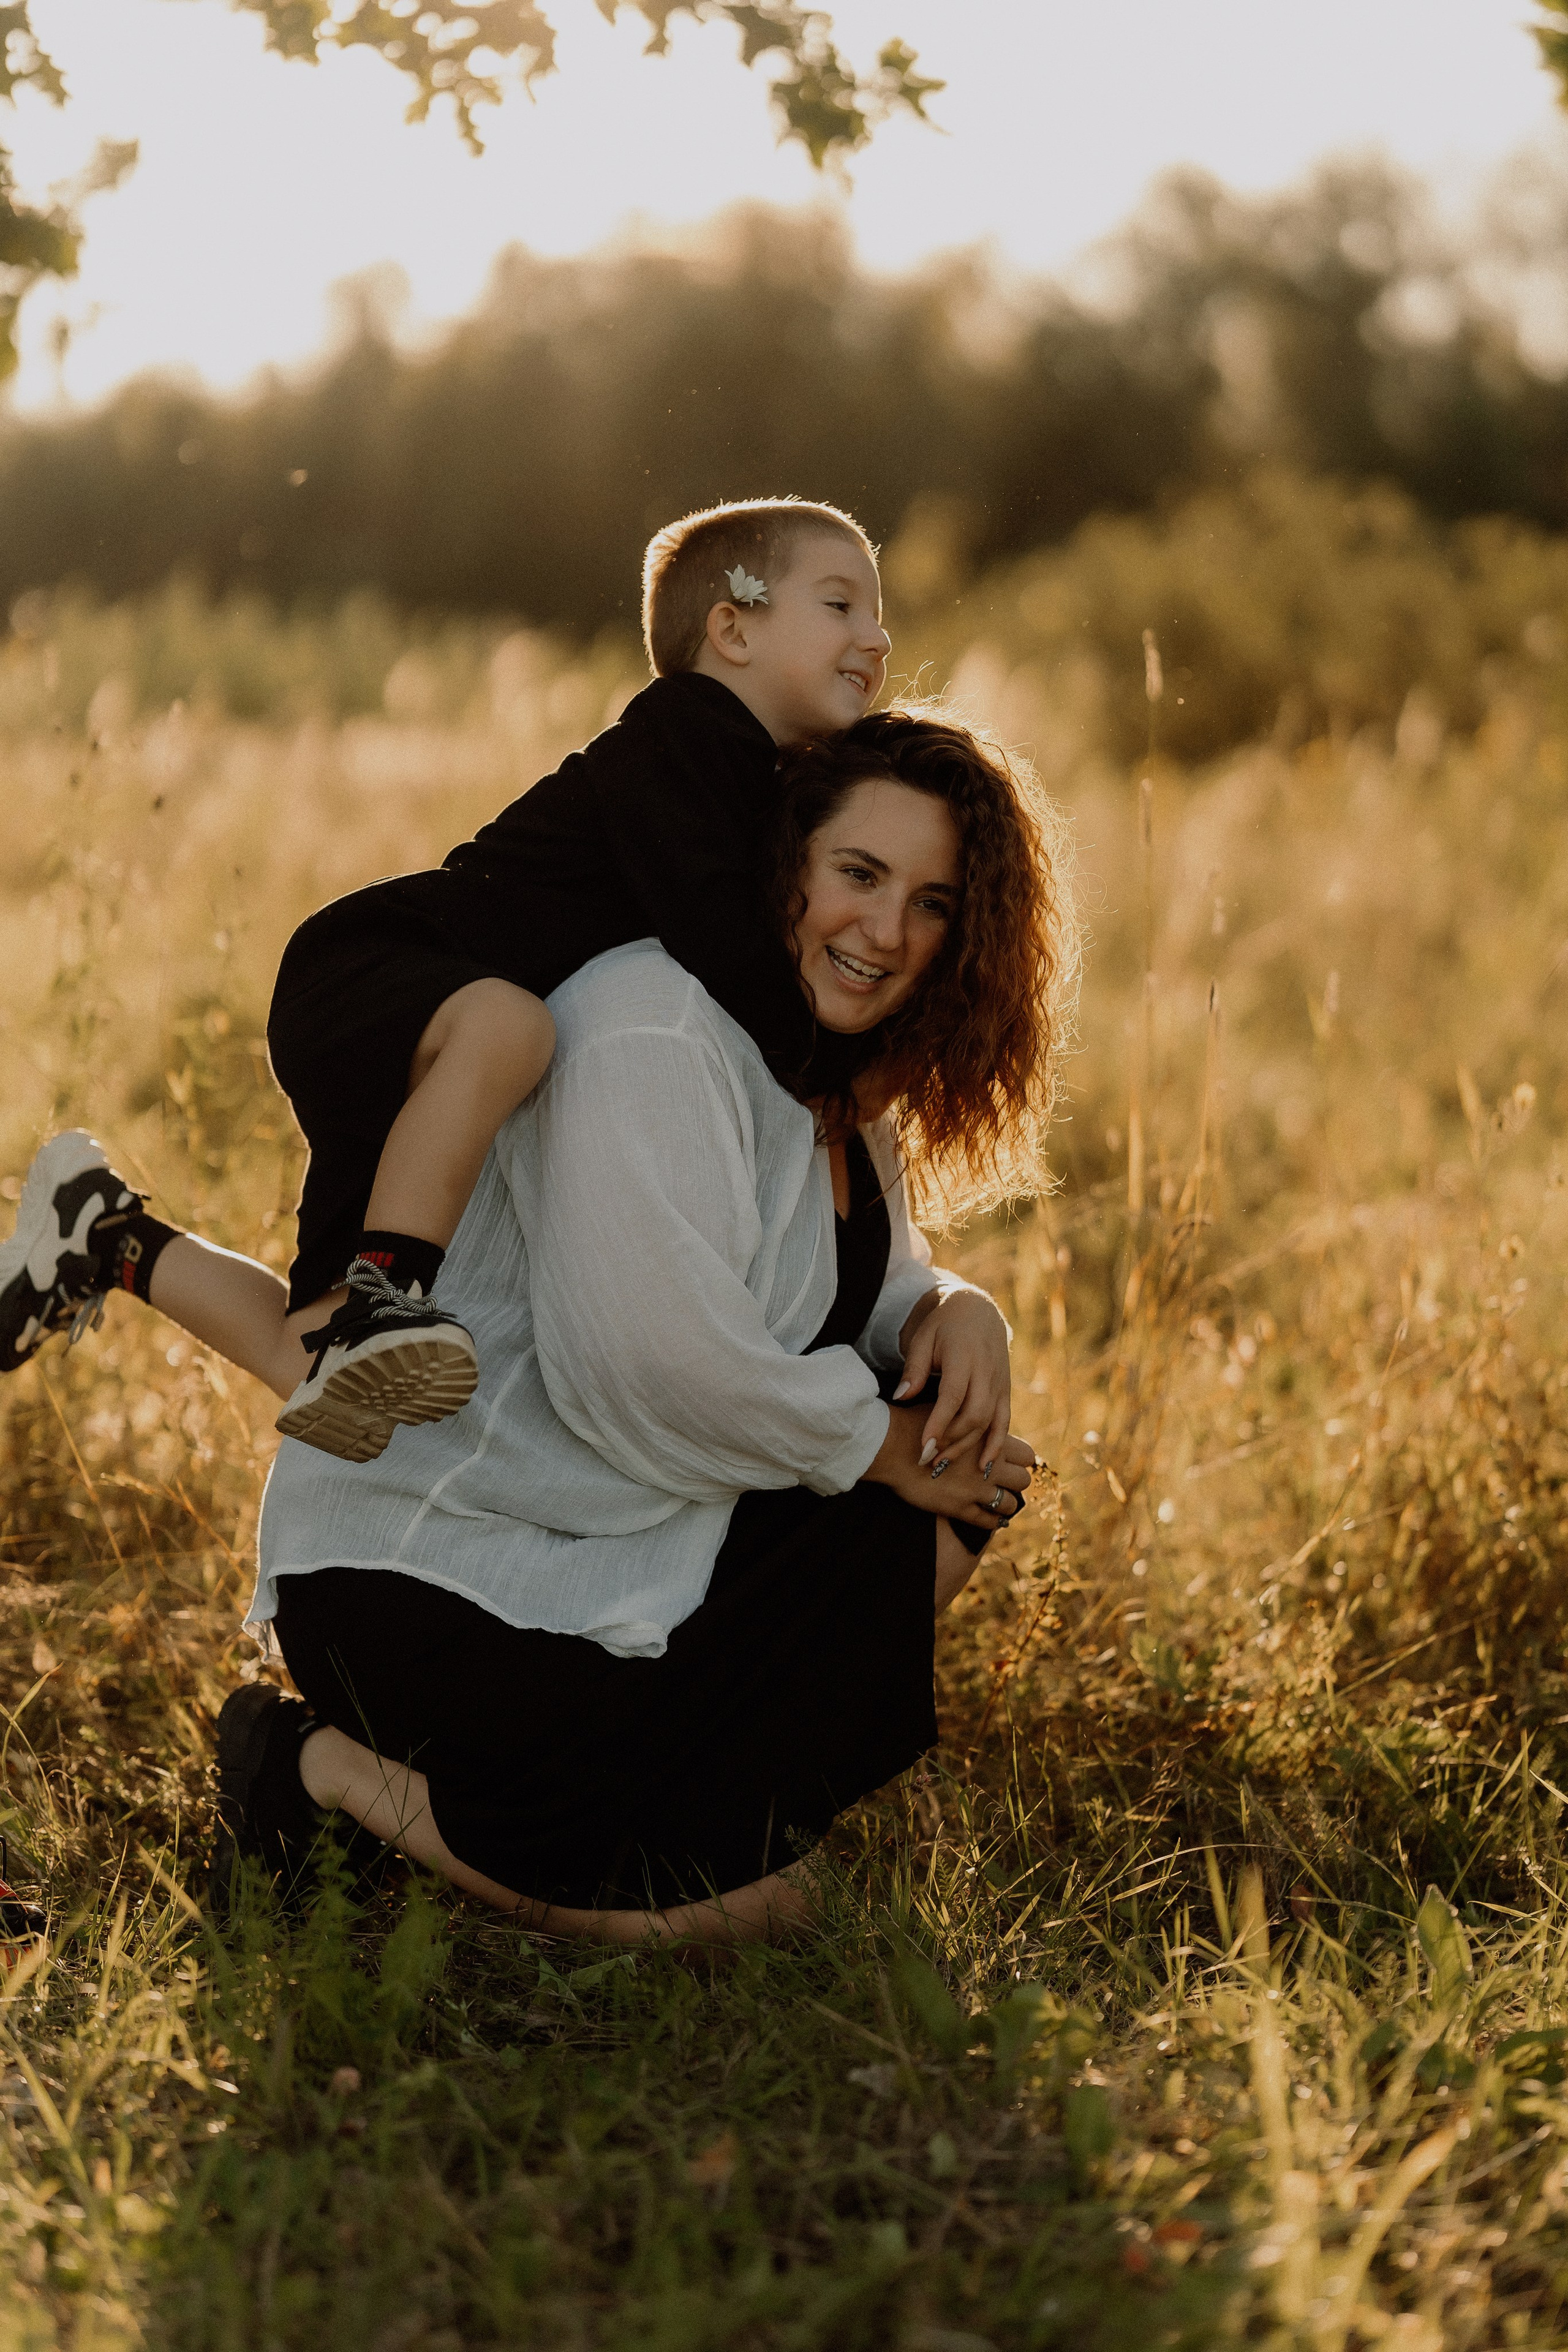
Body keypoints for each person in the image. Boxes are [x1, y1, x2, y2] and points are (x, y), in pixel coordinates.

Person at [213, 706, 1077, 1946]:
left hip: (622, 1541)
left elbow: (857, 1293)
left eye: (933, 903)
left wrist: (957, 1306)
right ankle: (318, 1773)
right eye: (858, 874)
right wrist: (879, 1448)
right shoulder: (655, 1021)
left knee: (964, 1470)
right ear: (782, 861)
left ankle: (589, 1828)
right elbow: (646, 1365)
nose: (886, 932)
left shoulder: (829, 1073)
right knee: (736, 1913)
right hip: (434, 1570)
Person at [0, 497, 896, 1464]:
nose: (877, 636)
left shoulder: (758, 781)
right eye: (842, 605)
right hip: (382, 966)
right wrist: (842, 1060)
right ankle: (388, 1299)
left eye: (879, 615)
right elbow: (724, 943)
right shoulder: (688, 734)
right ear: (733, 627)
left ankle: (103, 1232)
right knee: (515, 1028)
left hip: (429, 1041)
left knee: (309, 1354)